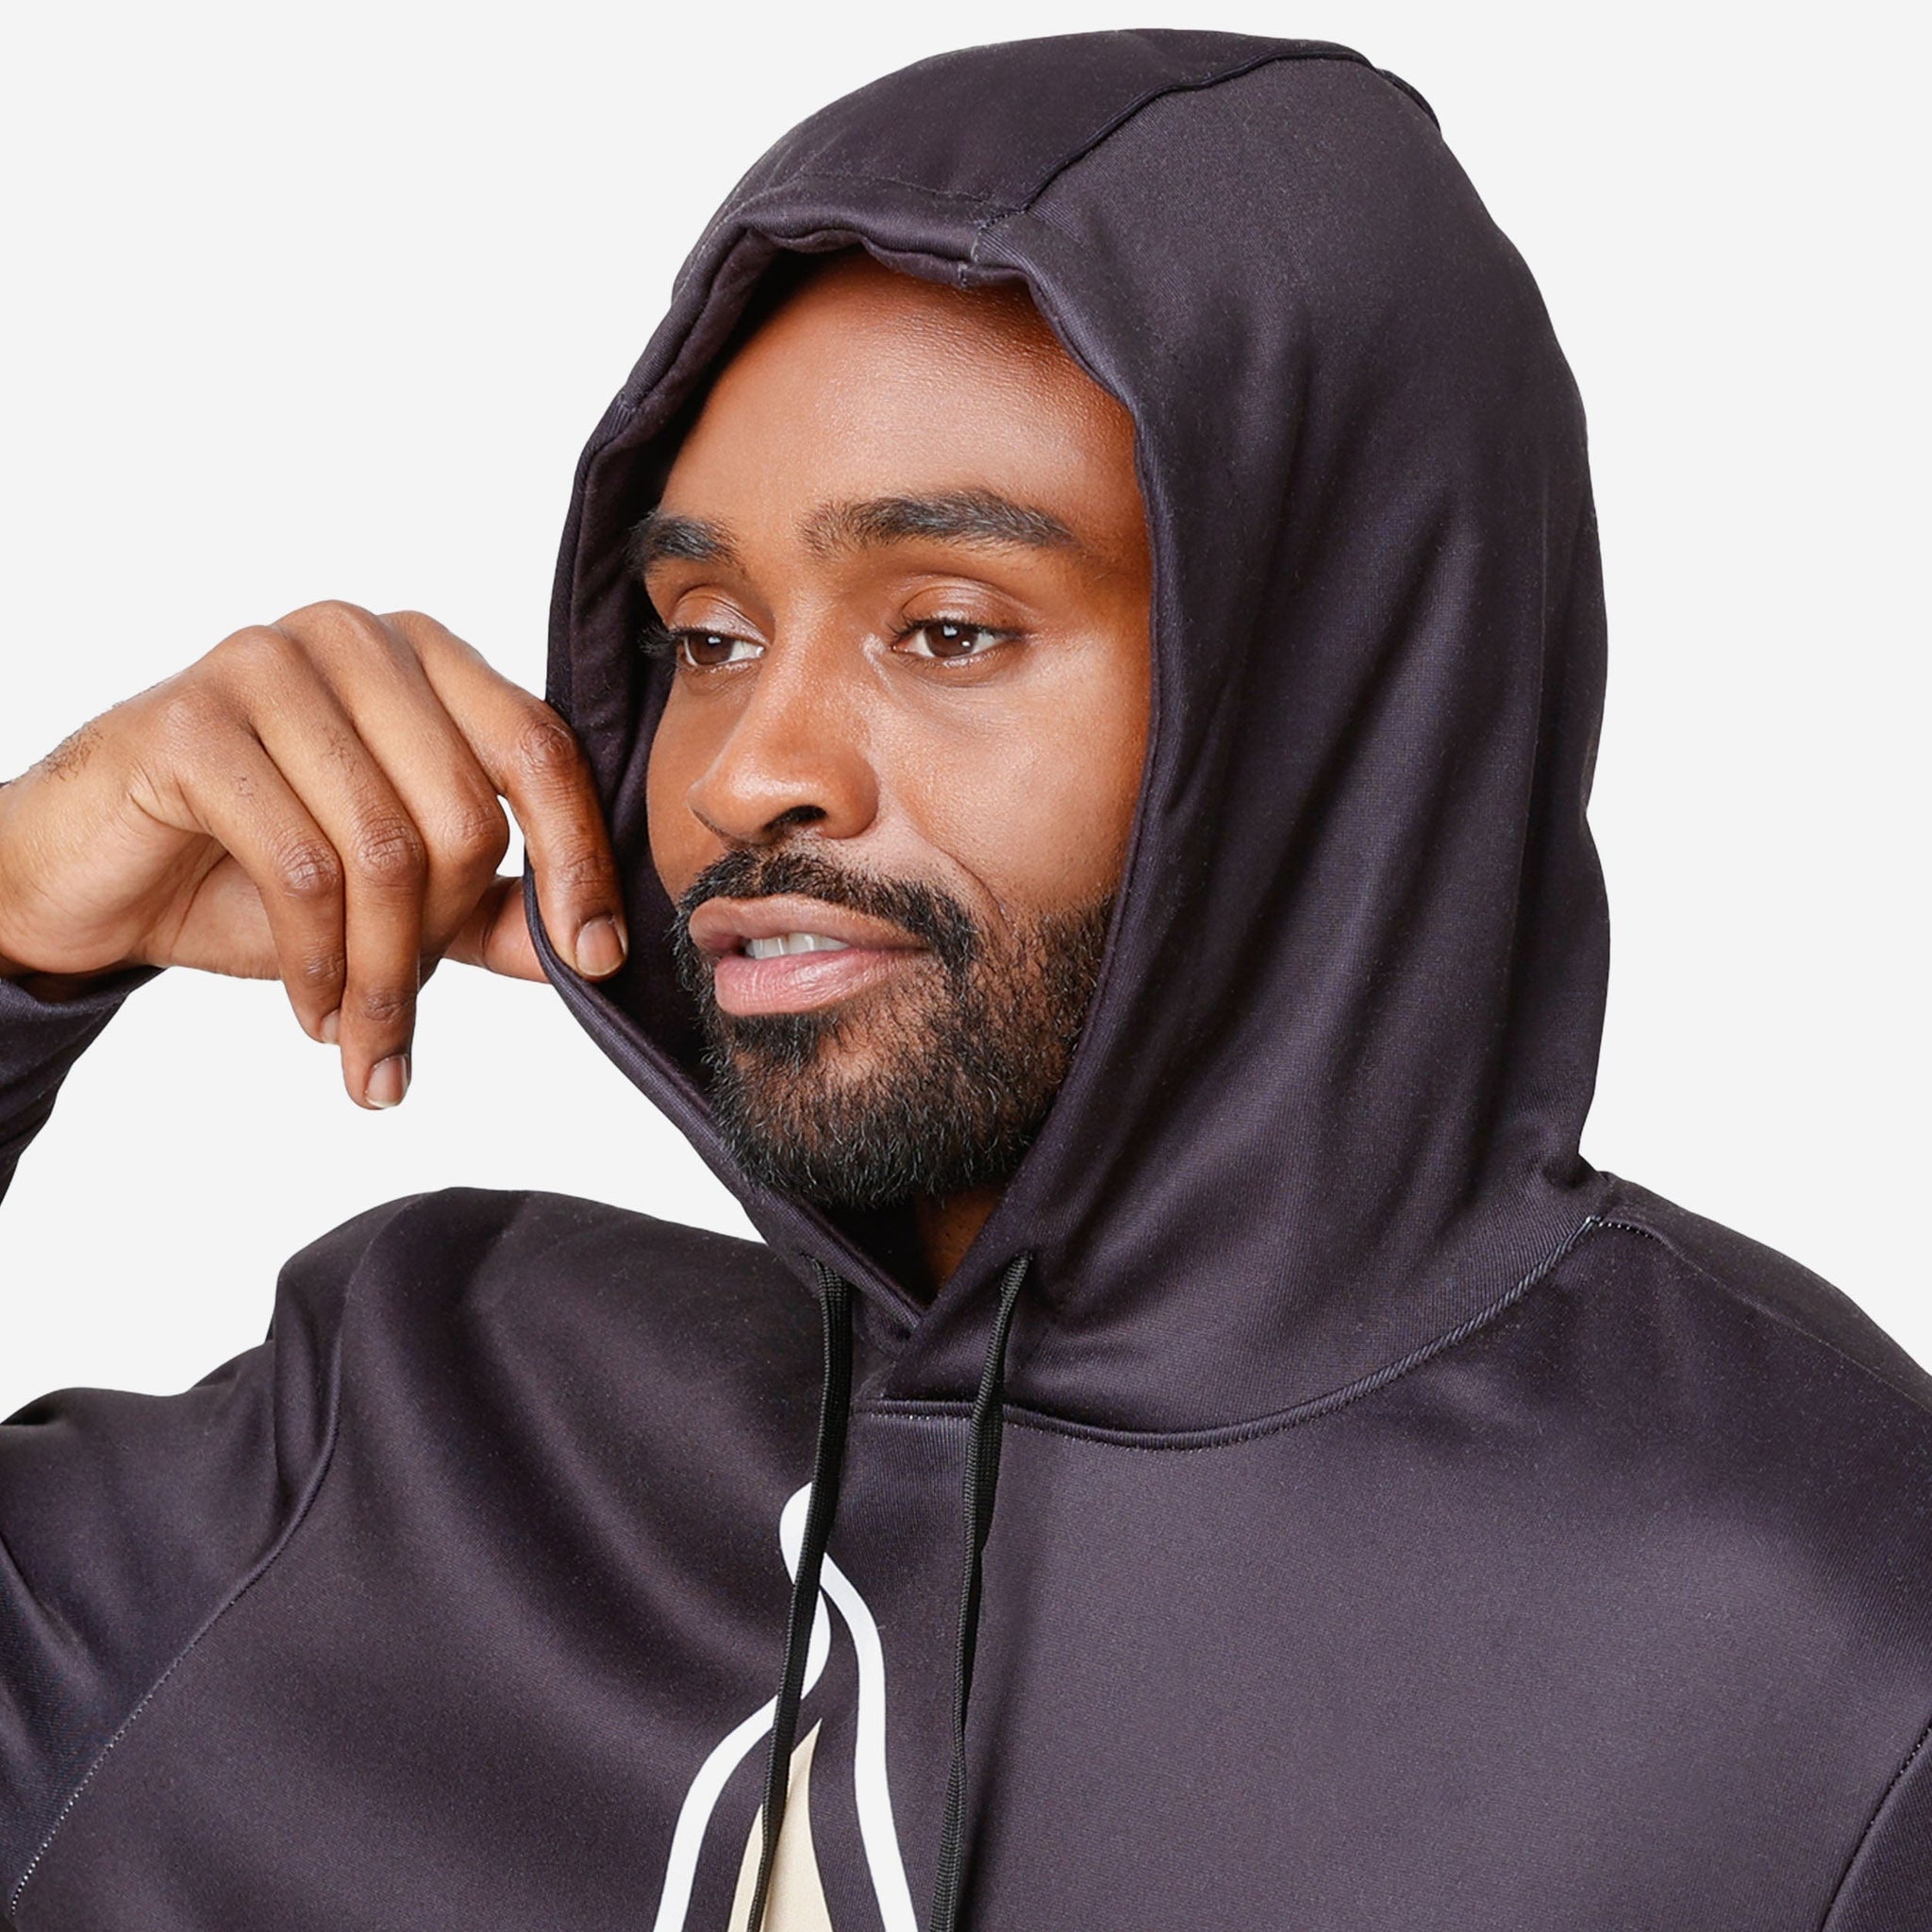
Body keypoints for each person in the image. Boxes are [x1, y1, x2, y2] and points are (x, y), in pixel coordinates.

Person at [0, 26, 1926, 1929]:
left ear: (1327, 692)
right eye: (708, 633)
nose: (747, 772)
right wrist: (16, 917)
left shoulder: (1822, 1654)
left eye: (944, 629)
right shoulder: (417, 1434)